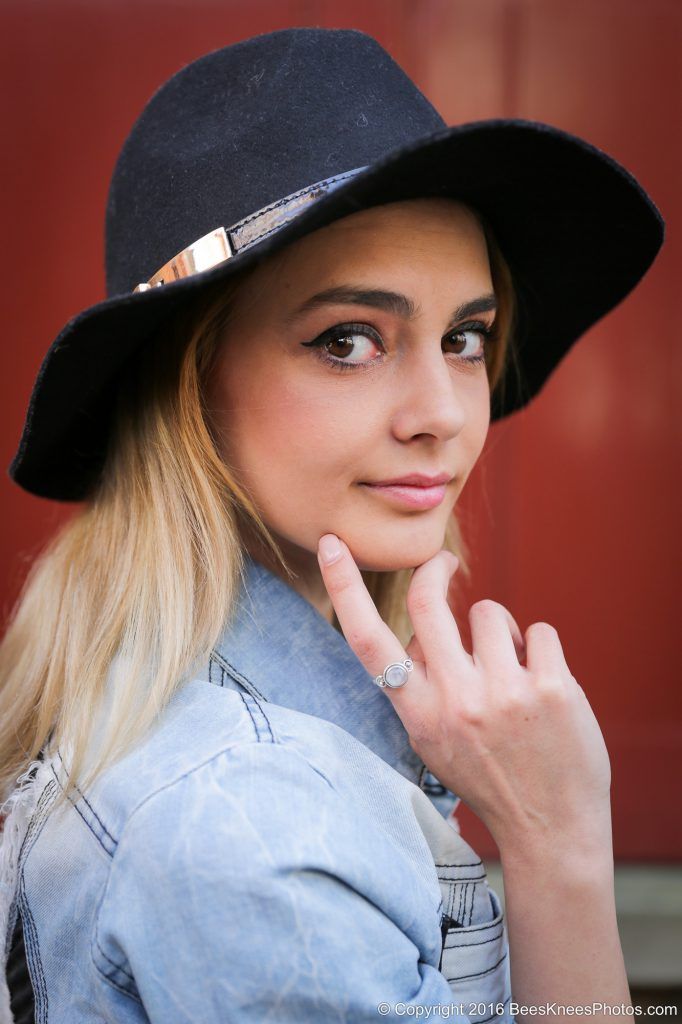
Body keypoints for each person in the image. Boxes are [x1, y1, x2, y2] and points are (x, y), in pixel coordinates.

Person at [0, 26, 665, 1024]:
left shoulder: (170, 702)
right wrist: (557, 840)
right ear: (190, 386)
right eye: (348, 339)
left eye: (464, 337)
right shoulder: (252, 830)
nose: (440, 410)